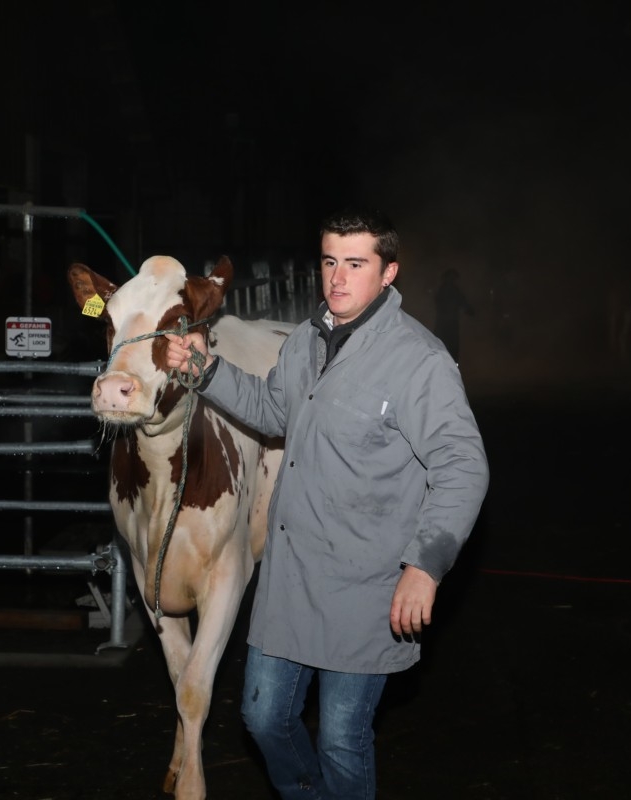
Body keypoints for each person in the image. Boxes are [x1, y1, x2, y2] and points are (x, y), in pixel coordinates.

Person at [165, 208, 489, 800]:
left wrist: (425, 566)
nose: (338, 278)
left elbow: (463, 466)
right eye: (330, 261)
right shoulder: (305, 341)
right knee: (263, 717)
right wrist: (203, 369)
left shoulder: (419, 360)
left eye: (356, 264)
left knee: (342, 738)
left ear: (389, 273)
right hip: (291, 577)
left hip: (366, 585)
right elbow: (272, 411)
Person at [434, 267, 474, 362]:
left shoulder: (443, 290)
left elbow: (464, 304)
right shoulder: (451, 291)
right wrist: (471, 311)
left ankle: (447, 365)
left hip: (445, 324)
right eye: (451, 278)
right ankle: (448, 365)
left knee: (444, 346)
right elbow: (464, 304)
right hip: (448, 324)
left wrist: (470, 311)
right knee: (449, 347)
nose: (452, 280)